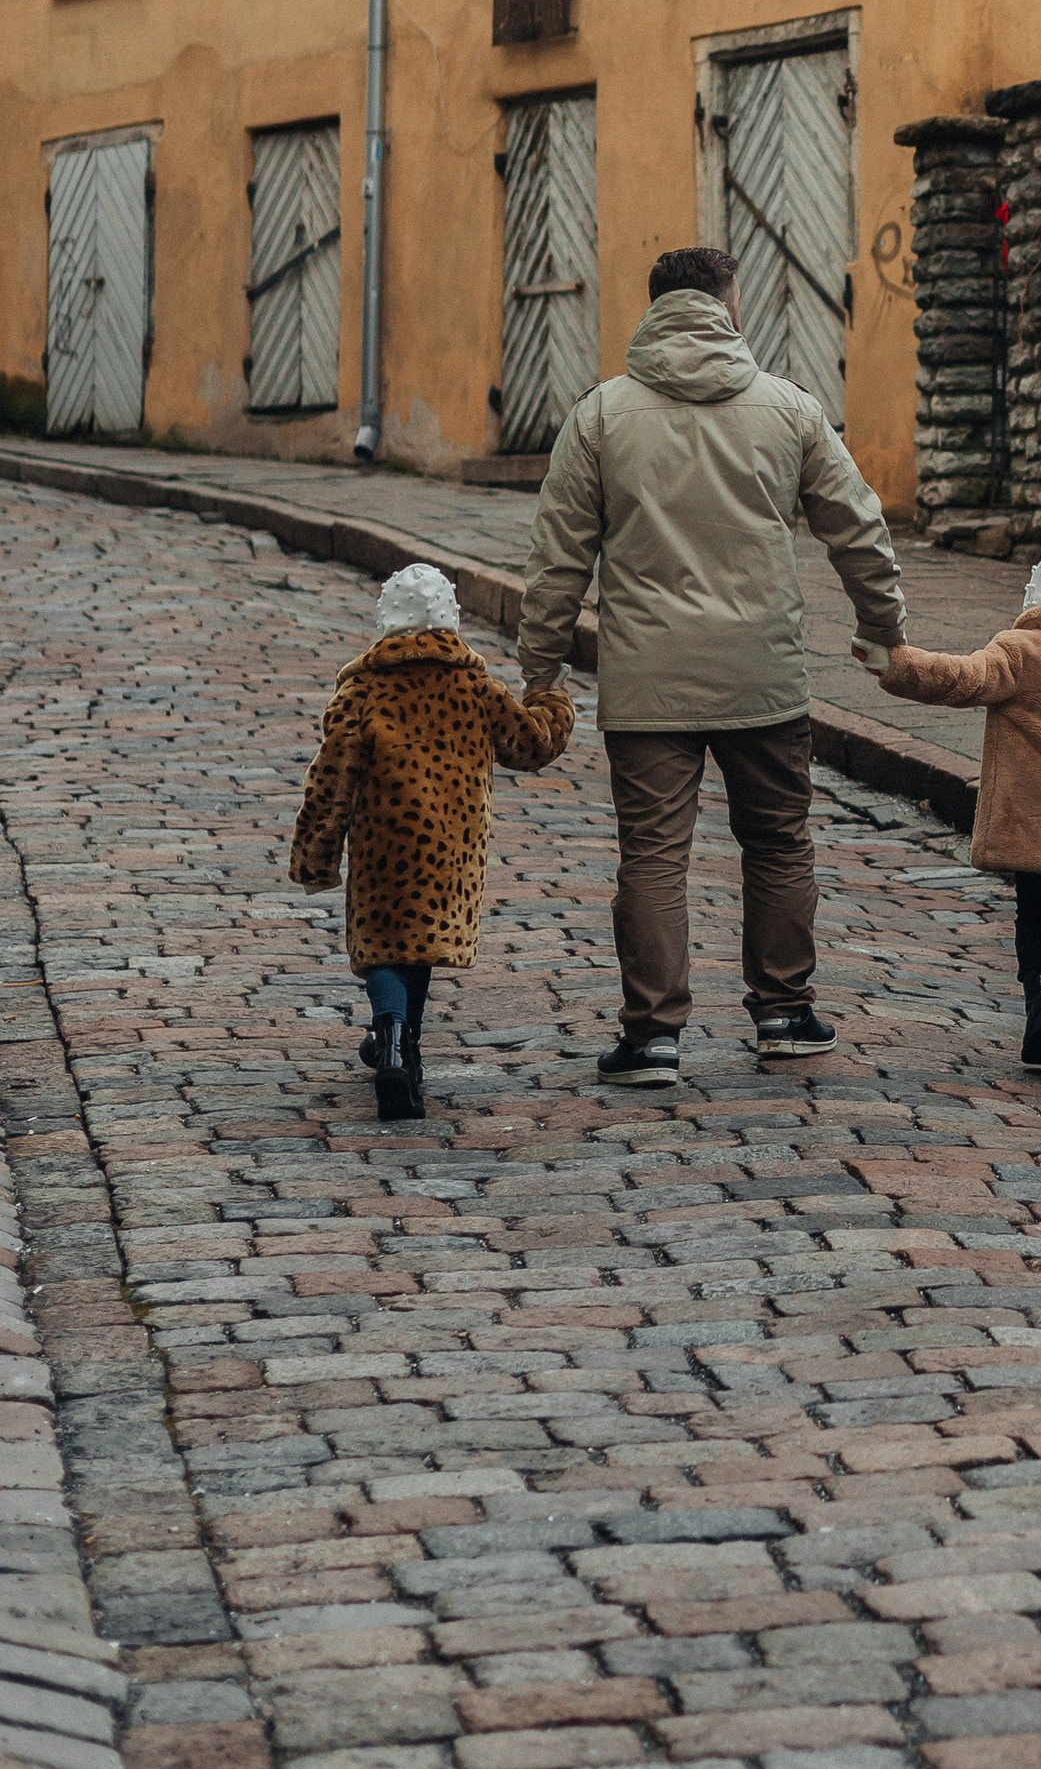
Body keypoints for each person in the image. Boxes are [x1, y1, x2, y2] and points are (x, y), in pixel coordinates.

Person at [517, 245, 907, 1081]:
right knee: (777, 842)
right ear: (733, 308)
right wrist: (885, 628)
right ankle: (785, 1012)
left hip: (648, 682)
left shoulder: (600, 416)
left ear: (654, 309)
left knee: (654, 853)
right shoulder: (790, 410)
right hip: (762, 678)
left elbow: (557, 561)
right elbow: (859, 528)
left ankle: (653, 1033)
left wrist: (539, 669)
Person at [290, 561, 575, 1120]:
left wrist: (316, 856)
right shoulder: (475, 686)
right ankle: (402, 1047)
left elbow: (331, 779)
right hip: (452, 848)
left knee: (384, 947)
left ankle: (392, 1034)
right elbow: (530, 743)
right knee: (422, 942)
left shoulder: (364, 690)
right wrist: (555, 702)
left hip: (381, 844)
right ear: (450, 619)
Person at [869, 545, 1041, 1094]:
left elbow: (959, 678)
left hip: (1036, 824)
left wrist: (895, 664)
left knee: (1034, 920)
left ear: (1036, 594)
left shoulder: (1019, 651)